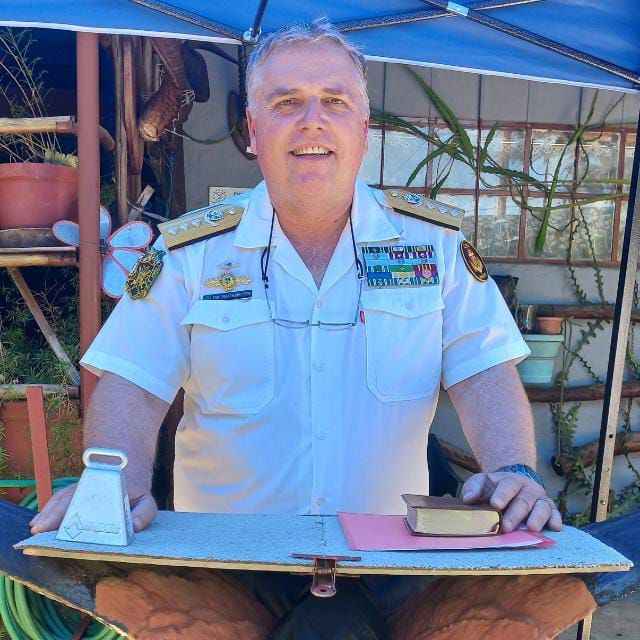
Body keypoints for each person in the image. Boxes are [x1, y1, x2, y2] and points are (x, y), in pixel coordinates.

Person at [30, 19, 594, 639]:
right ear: (252, 130)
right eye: (286, 103)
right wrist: (114, 482)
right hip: (224, 569)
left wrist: (514, 472)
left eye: (334, 101)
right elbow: (133, 383)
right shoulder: (190, 254)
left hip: (390, 565)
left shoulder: (433, 247)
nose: (312, 122)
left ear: (364, 128)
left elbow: (483, 372)